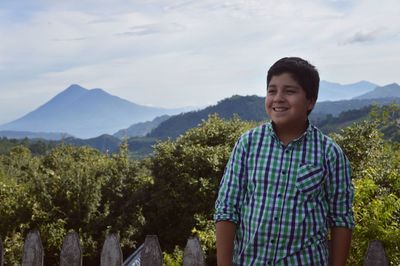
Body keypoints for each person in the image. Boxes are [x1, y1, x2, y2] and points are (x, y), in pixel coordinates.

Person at [214, 57, 354, 265]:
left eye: (289, 91)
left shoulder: (329, 153)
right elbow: (227, 208)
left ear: (310, 101)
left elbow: (341, 218)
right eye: (272, 91)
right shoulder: (248, 144)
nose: (278, 98)